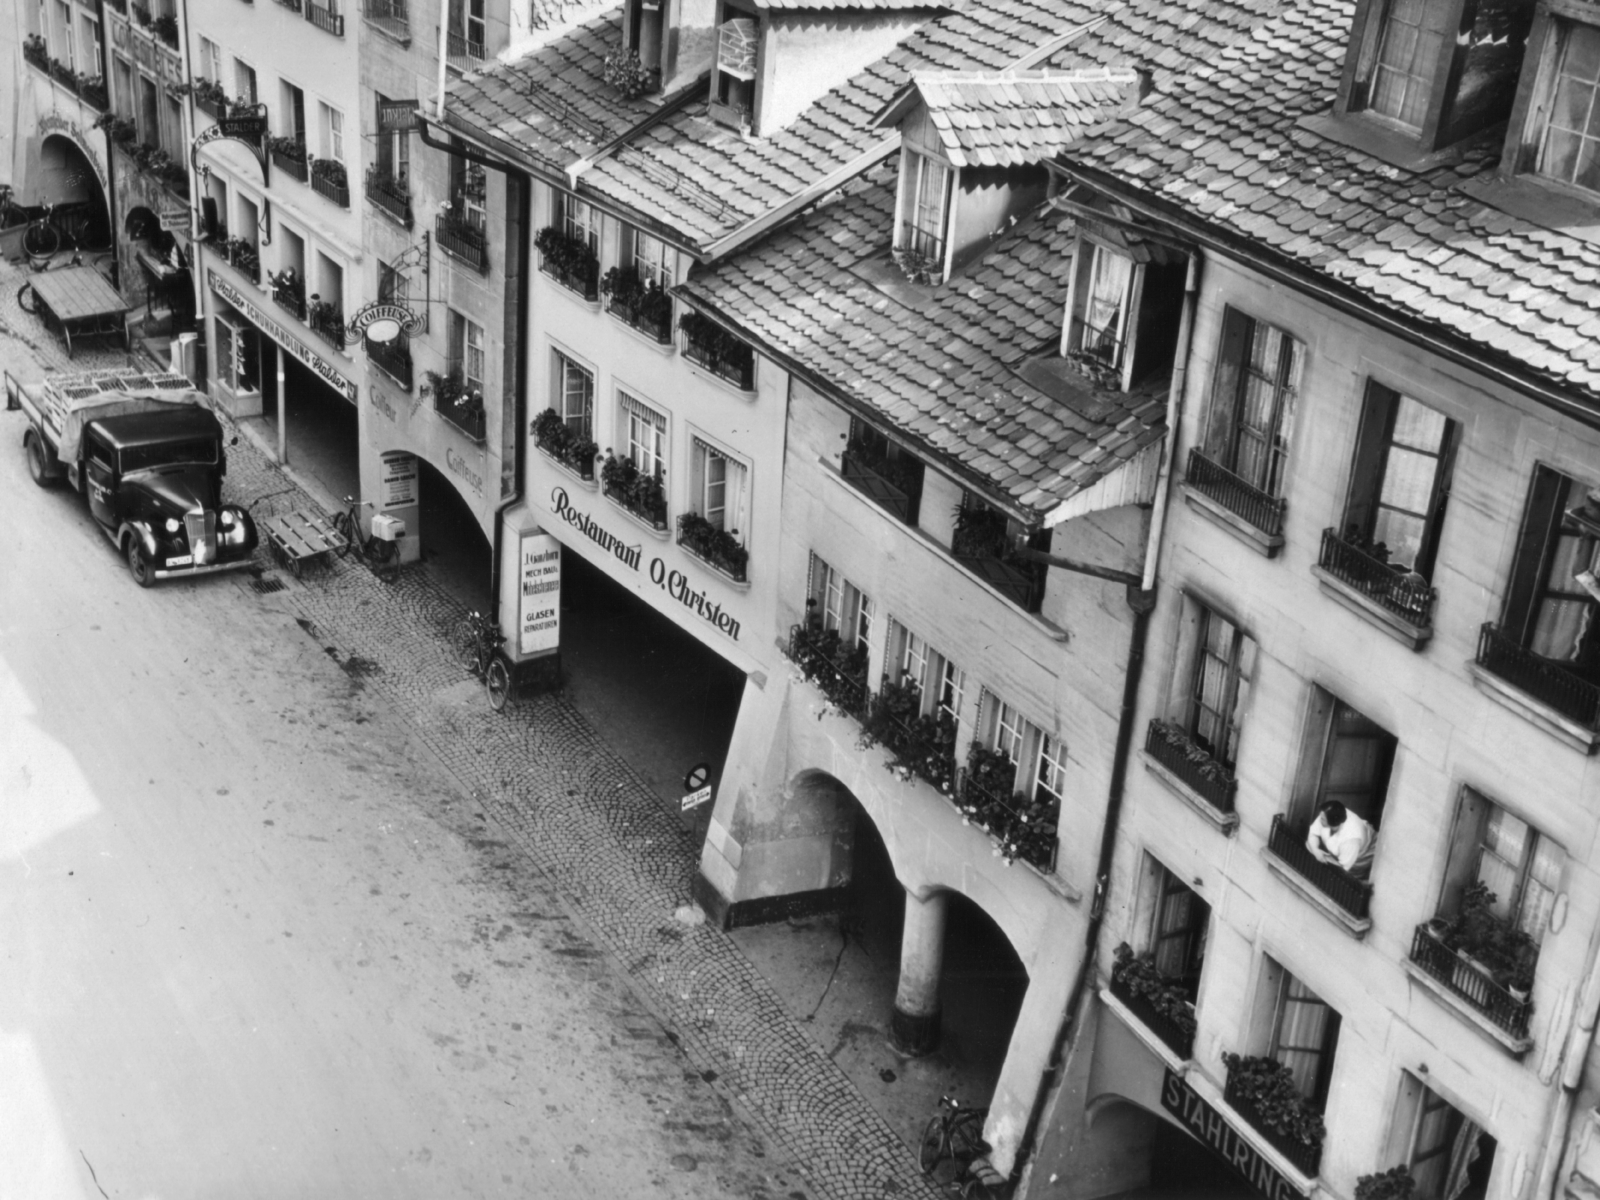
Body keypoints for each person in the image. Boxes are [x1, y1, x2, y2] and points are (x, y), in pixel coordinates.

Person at [1305, 800, 1375, 878]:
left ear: (1333, 822)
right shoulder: (1327, 813)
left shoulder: (1351, 839)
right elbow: (1313, 834)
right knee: (1310, 846)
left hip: (1360, 856)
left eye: (1322, 819)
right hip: (1339, 853)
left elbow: (1342, 869)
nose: (1319, 818)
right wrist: (1315, 850)